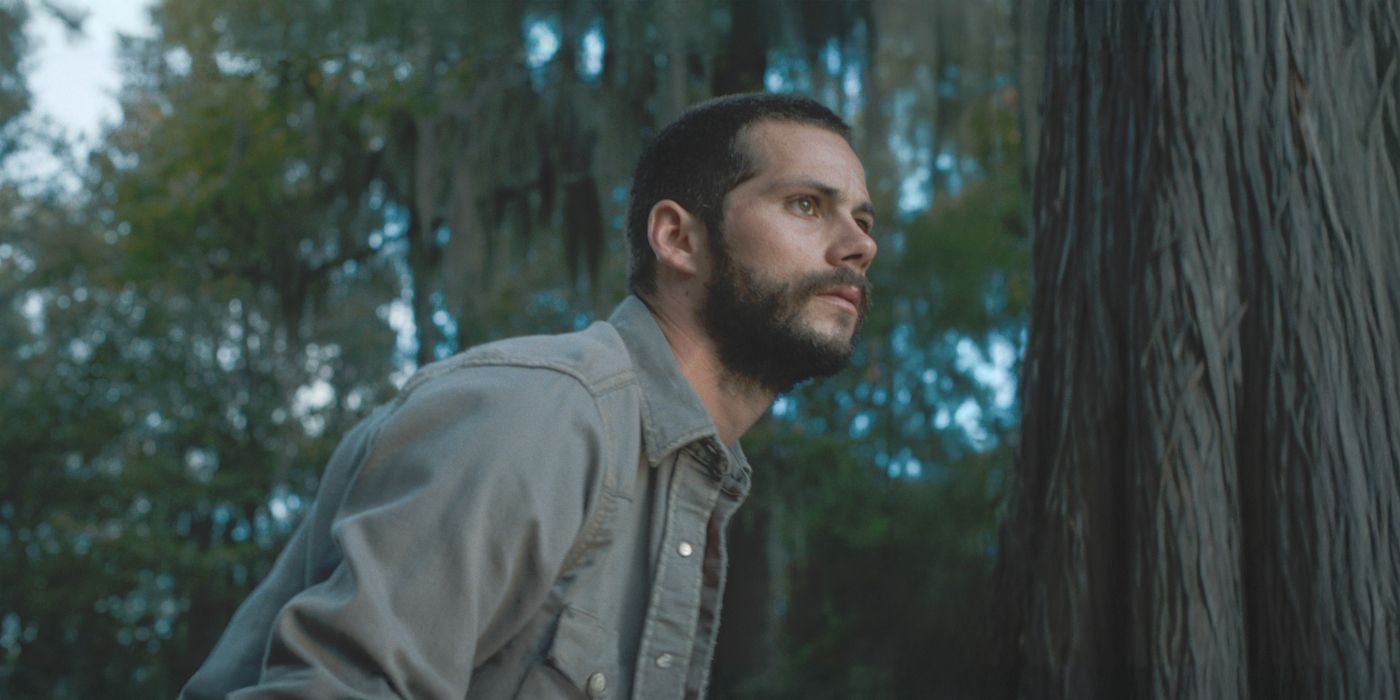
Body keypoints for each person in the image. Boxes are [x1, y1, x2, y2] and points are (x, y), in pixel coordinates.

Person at [181, 92, 877, 699]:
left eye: (864, 221)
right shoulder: (540, 417)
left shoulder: (685, 483)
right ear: (677, 239)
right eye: (808, 205)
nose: (858, 246)